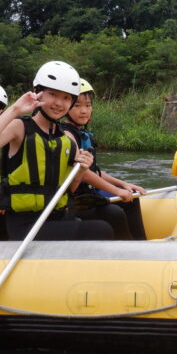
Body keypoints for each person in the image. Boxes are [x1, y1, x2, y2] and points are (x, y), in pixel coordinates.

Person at [0, 61, 114, 241]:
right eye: (52, 94)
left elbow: (69, 188)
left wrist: (81, 171)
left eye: (66, 98)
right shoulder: (20, 127)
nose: (58, 103)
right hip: (24, 224)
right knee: (101, 230)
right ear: (38, 92)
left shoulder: (67, 139)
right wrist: (15, 109)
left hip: (57, 217)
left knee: (106, 223)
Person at [61, 78, 147, 240]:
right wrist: (116, 191)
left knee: (132, 198)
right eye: (77, 105)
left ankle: (142, 244)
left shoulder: (84, 135)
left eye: (88, 105)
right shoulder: (66, 135)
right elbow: (84, 174)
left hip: (88, 194)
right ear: (66, 107)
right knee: (114, 213)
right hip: (73, 199)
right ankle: (129, 251)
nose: (83, 111)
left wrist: (123, 184)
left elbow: (94, 171)